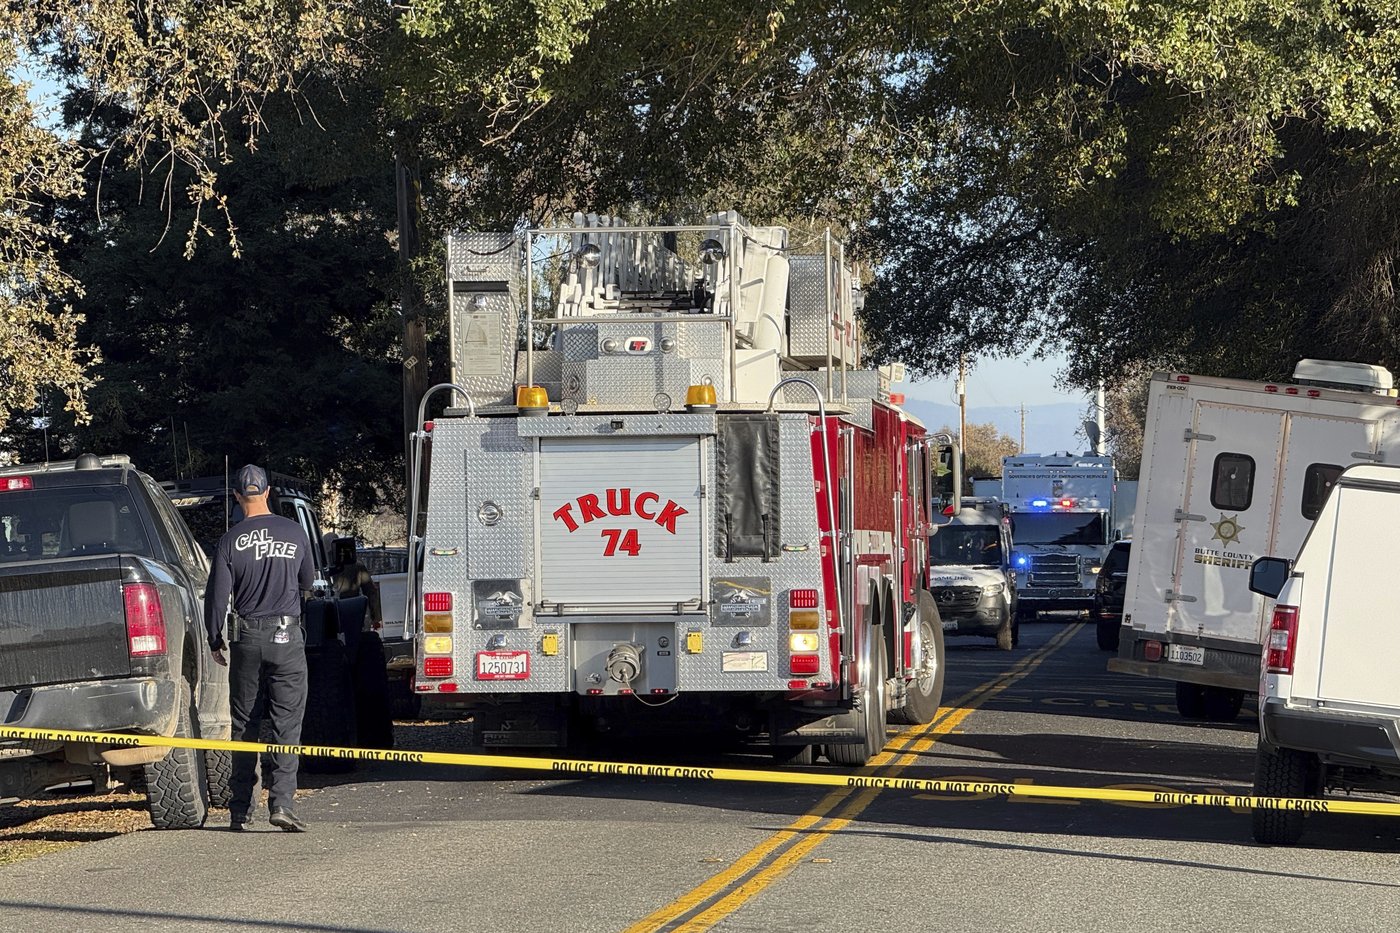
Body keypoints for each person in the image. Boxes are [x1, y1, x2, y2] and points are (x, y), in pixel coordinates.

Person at [204, 464, 315, 832]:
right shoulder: (294, 533)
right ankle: (282, 803)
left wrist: (214, 638)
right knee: (287, 723)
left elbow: (217, 598)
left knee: (244, 724)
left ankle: (240, 809)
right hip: (287, 637)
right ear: (267, 492)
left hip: (247, 638)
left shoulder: (229, 541)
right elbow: (308, 581)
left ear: (238, 497)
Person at [331, 538, 381, 630]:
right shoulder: (356, 565)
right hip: (352, 609)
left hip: (329, 612)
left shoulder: (322, 566)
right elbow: (370, 591)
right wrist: (375, 617)